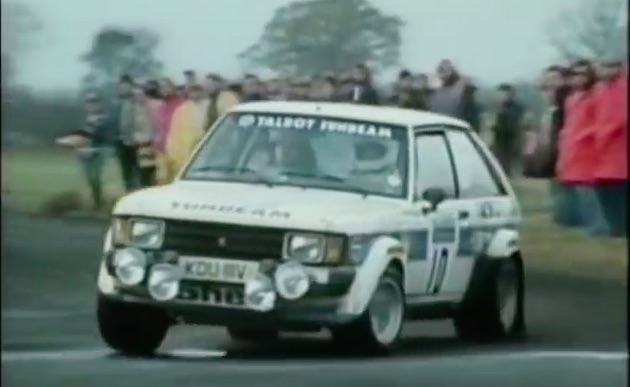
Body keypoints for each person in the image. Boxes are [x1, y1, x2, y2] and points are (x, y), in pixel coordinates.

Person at [556, 60, 608, 236]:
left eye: (582, 74)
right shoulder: (571, 99)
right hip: (571, 149)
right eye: (575, 75)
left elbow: (600, 121)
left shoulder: (596, 97)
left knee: (587, 192)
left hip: (588, 150)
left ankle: (598, 226)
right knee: (574, 191)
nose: (578, 79)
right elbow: (569, 123)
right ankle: (578, 223)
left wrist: (584, 134)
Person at [593, 59, 627, 237]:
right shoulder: (599, 90)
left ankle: (621, 228)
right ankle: (613, 227)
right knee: (605, 193)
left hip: (618, 150)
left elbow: (621, 119)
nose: (605, 71)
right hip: (601, 152)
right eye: (603, 66)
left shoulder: (623, 89)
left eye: (610, 67)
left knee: (618, 194)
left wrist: (604, 134)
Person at [56, 94, 109, 209]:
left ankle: (98, 202)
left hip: (97, 151)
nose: (91, 106)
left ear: (99, 104)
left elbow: (96, 134)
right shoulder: (84, 118)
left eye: (94, 103)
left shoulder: (102, 118)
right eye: (89, 103)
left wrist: (70, 141)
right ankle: (96, 201)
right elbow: (81, 133)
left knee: (95, 176)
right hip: (84, 151)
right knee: (90, 178)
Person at [164, 84, 210, 182]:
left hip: (206, 145)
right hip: (188, 148)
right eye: (192, 92)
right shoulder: (181, 109)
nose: (195, 94)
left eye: (198, 91)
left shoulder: (208, 106)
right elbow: (175, 131)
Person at [430, 59, 480, 131]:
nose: (442, 75)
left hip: (458, 130)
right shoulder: (437, 92)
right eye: (440, 71)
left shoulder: (465, 89)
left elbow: (472, 117)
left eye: (445, 71)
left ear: (452, 71)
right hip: (439, 129)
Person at [491, 83, 524, 177]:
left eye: (504, 94)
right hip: (499, 144)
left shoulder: (518, 109)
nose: (502, 96)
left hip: (513, 143)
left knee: (513, 170)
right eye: (500, 94)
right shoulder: (497, 108)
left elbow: (519, 126)